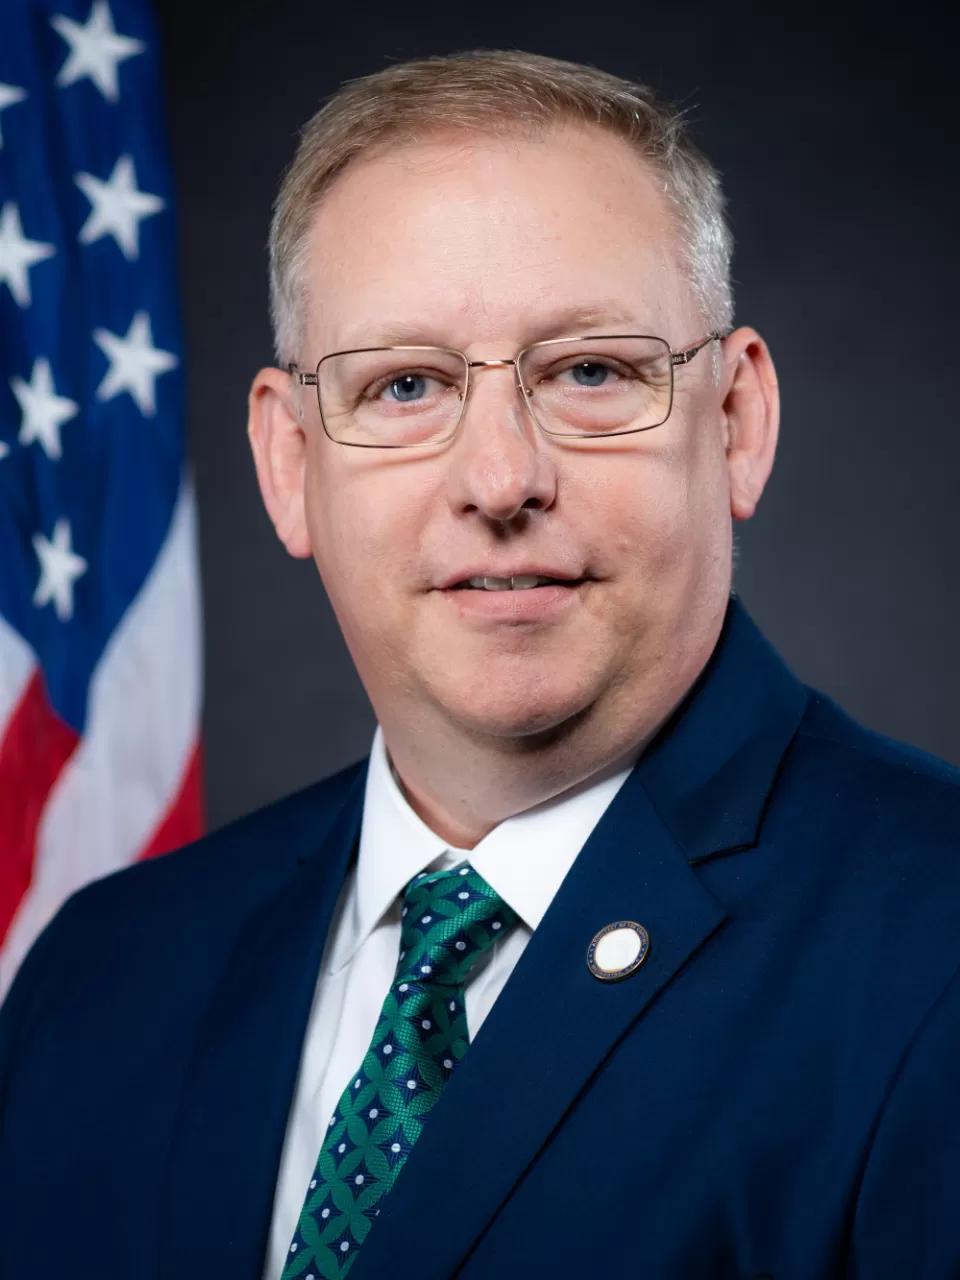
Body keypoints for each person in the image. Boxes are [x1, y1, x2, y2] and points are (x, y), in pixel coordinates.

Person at [2, 49, 959, 1280]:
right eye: (405, 384)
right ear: (290, 462)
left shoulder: (933, 953)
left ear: (735, 423)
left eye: (592, 371)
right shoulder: (103, 974)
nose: (501, 479)